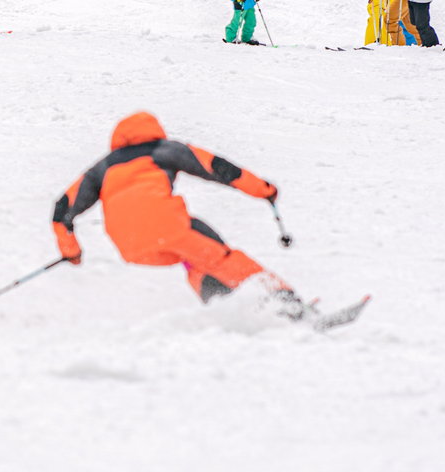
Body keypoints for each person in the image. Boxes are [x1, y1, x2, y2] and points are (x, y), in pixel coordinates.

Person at [51, 111, 307, 317]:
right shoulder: (164, 149)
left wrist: (71, 252)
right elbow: (217, 167)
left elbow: (62, 209)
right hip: (167, 228)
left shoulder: (103, 166)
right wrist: (264, 190)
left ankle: (225, 311)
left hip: (130, 246)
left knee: (194, 261)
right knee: (220, 255)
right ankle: (289, 305)